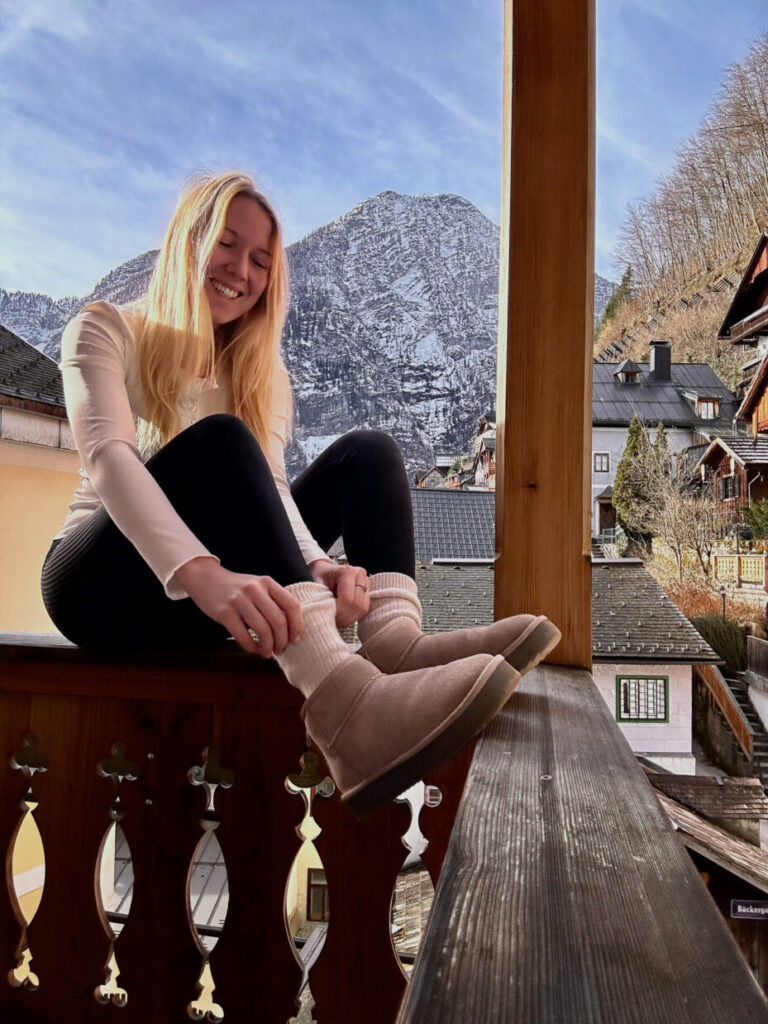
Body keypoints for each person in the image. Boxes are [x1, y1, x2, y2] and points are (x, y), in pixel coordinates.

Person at [41, 171, 560, 816]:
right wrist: (206, 576)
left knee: (368, 451)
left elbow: (272, 491)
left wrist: (316, 563)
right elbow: (110, 459)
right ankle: (349, 711)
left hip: (221, 596)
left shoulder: (262, 376)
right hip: (102, 585)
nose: (241, 269)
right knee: (223, 441)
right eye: (227, 244)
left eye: (261, 259)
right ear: (187, 242)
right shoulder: (104, 329)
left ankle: (395, 647)